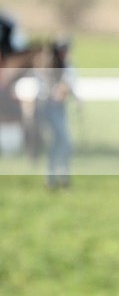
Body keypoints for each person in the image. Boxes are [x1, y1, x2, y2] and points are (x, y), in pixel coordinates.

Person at [35, 39, 76, 188]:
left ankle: (57, 177)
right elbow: (45, 90)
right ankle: (58, 177)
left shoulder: (67, 67)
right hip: (49, 108)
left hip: (60, 109)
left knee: (58, 143)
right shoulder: (48, 68)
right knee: (64, 142)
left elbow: (69, 85)